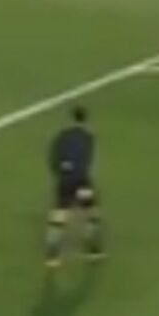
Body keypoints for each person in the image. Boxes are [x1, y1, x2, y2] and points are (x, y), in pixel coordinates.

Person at [45, 105, 105, 269]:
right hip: (81, 179)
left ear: (71, 118)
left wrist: (59, 173)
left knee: (59, 214)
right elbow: (88, 159)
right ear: (85, 120)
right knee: (91, 212)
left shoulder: (61, 135)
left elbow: (53, 158)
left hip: (64, 179)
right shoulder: (88, 137)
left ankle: (52, 257)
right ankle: (93, 250)